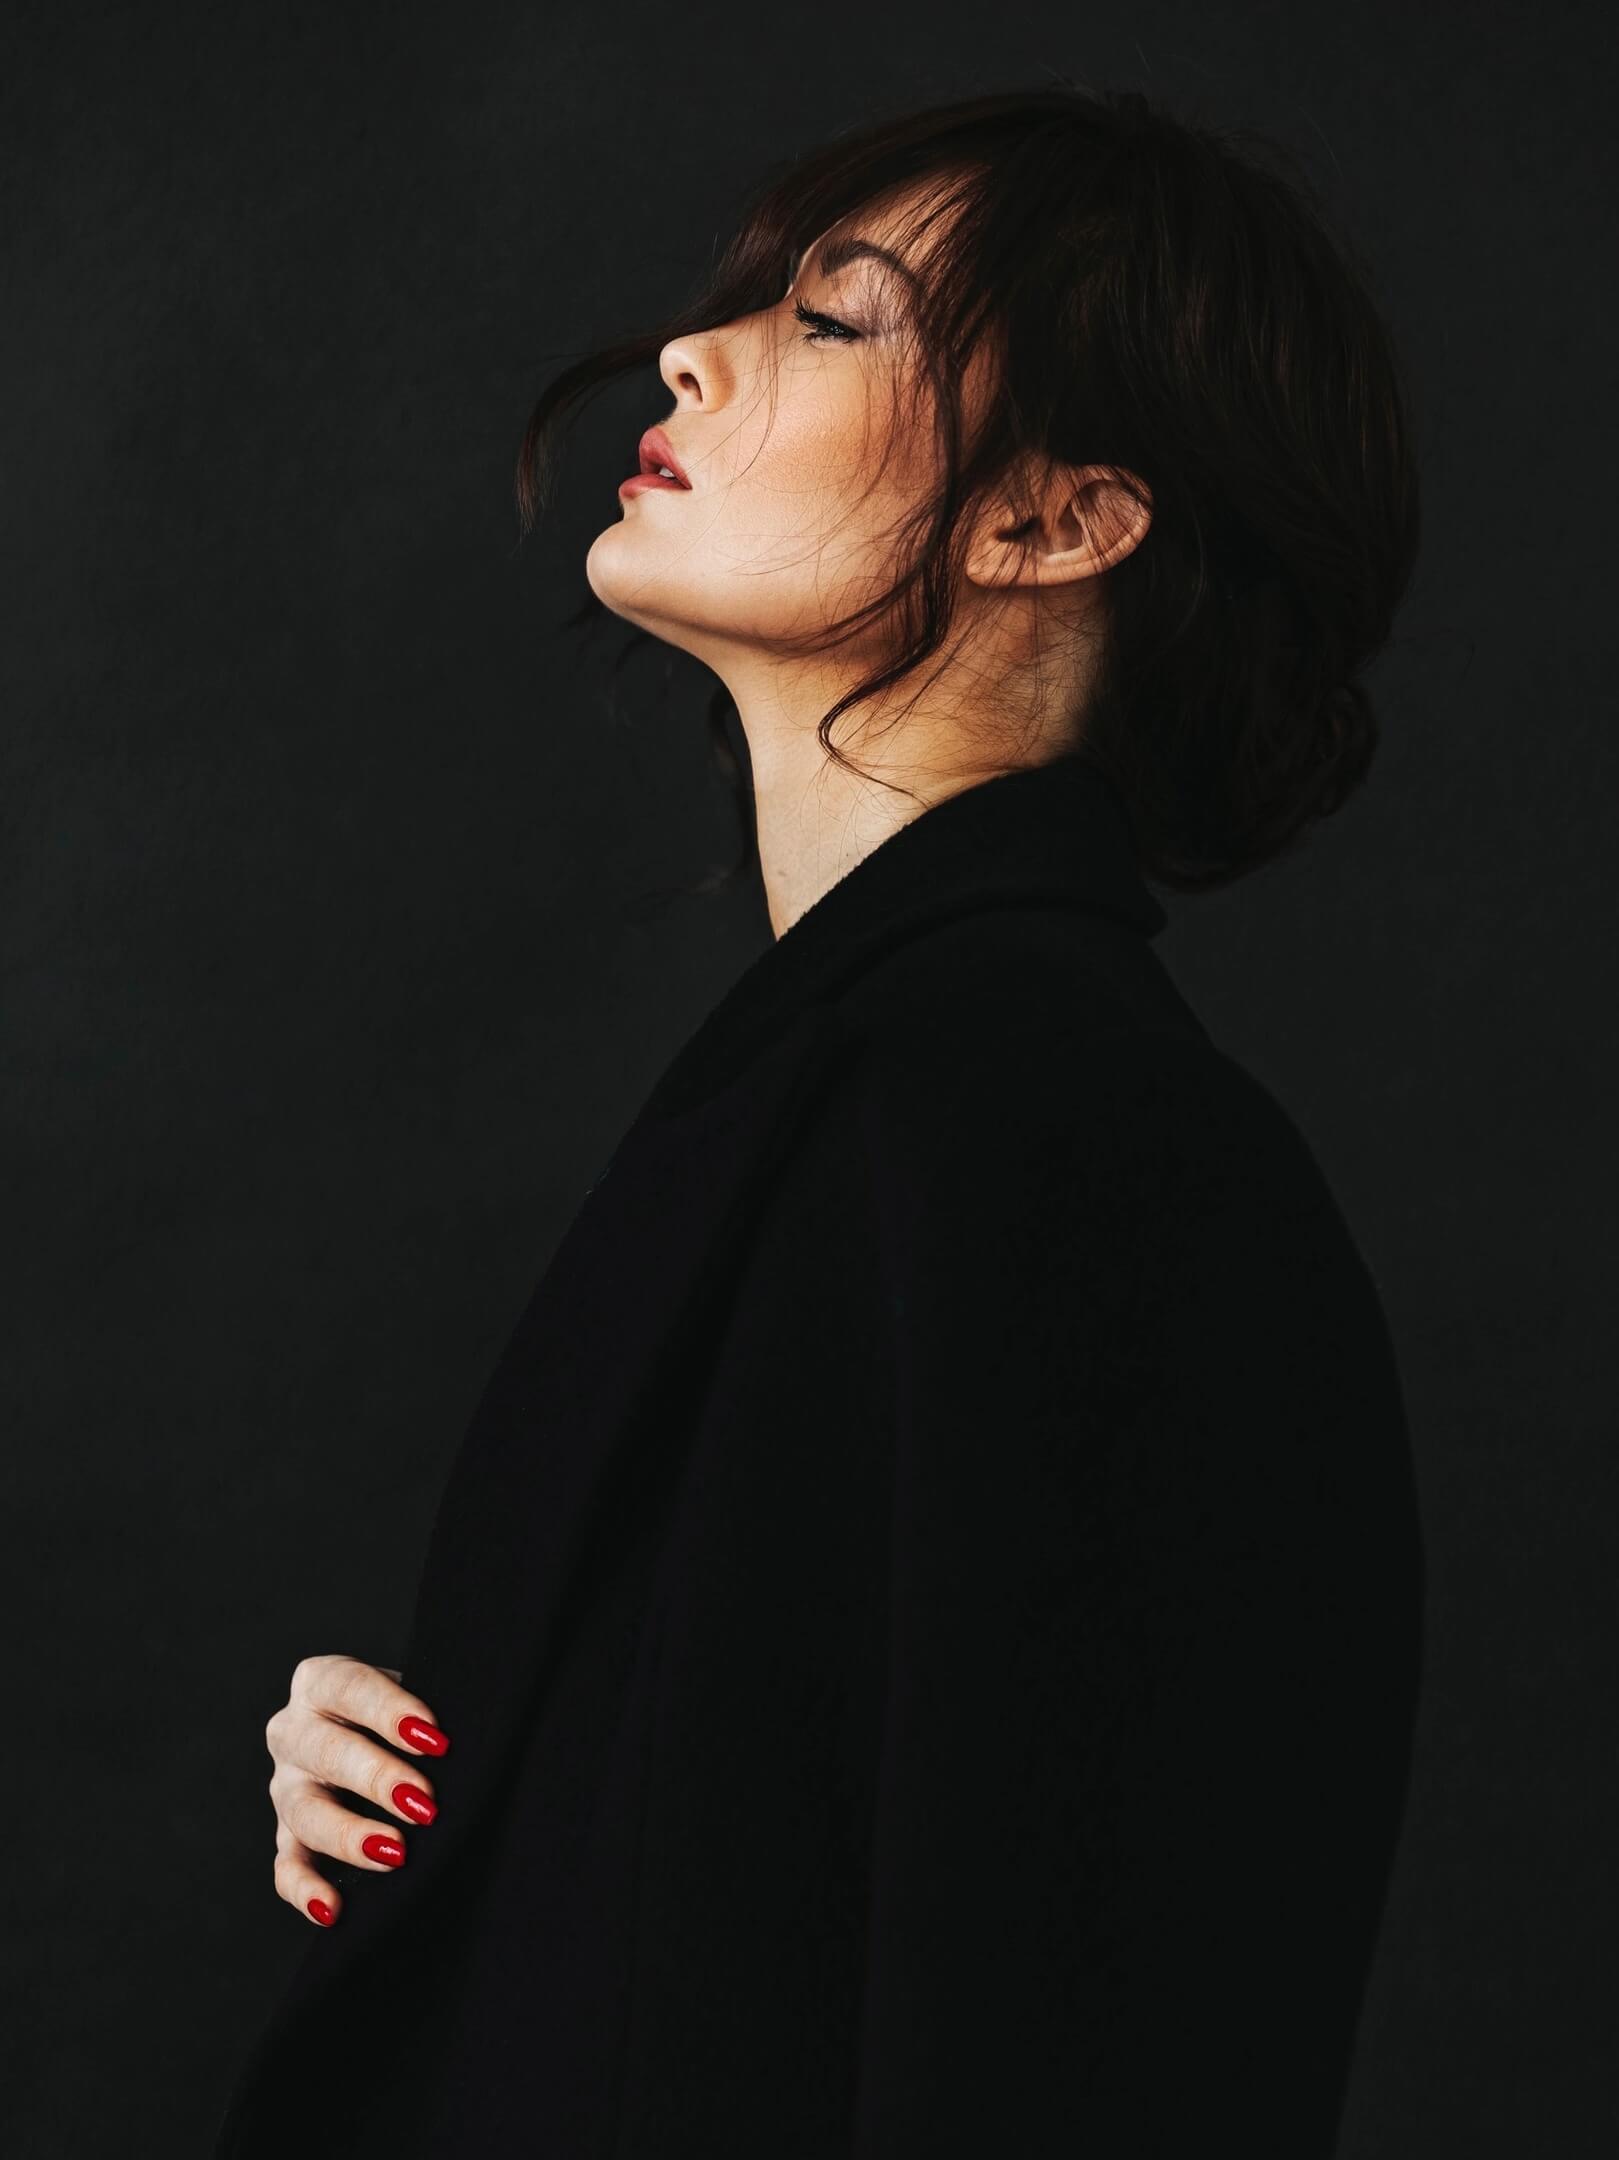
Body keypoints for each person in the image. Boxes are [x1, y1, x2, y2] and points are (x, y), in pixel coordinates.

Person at [214, 79, 1425, 2156]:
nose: (690, 352)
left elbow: (1082, 2036)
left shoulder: (1069, 1150)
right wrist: (472, 1838)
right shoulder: (870, 1091)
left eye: (834, 319)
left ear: (1052, 520)